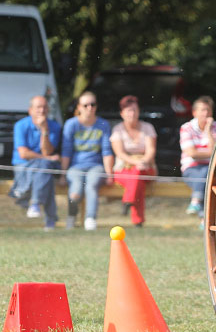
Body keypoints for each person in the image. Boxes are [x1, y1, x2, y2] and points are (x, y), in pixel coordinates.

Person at [61, 91, 114, 231]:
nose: (89, 108)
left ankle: (90, 220)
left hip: (96, 166)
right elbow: (66, 151)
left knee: (91, 186)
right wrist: (62, 174)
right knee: (76, 191)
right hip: (75, 167)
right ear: (78, 107)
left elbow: (107, 151)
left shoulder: (103, 124)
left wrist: (109, 174)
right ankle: (72, 216)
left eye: (93, 104)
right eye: (85, 105)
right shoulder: (70, 124)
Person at [9, 96, 61, 229]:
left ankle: (35, 203)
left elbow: (47, 152)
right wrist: (46, 158)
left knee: (43, 167)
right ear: (30, 110)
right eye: (38, 107)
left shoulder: (54, 126)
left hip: (42, 167)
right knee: (45, 171)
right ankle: (50, 219)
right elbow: (23, 154)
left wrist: (44, 131)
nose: (42, 110)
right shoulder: (20, 125)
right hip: (23, 166)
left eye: (44, 107)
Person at [110, 95, 157, 227]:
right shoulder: (117, 130)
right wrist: (136, 162)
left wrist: (144, 161)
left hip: (146, 166)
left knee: (138, 173)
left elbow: (151, 151)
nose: (132, 113)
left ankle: (127, 201)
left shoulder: (148, 128)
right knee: (137, 179)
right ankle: (138, 221)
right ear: (122, 113)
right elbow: (119, 153)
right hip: (123, 167)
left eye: (134, 110)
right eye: (129, 110)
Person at [179, 95, 216, 217]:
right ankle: (204, 217)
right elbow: (192, 154)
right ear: (194, 112)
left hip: (212, 168)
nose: (206, 113)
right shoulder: (186, 128)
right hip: (191, 169)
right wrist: (210, 153)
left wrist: (208, 131)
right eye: (203, 110)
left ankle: (196, 202)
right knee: (205, 174)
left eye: (208, 110)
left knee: (207, 171)